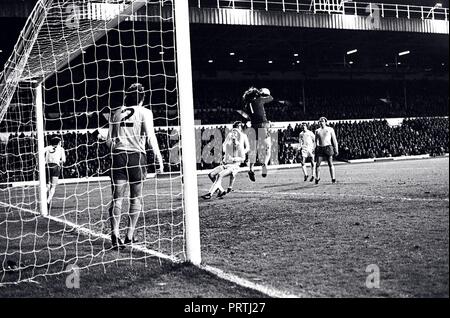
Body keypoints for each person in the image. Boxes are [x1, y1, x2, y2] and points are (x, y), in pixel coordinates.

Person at [106, 83, 164, 249]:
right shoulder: (145, 112)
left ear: (127, 96)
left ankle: (115, 234)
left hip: (118, 156)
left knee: (117, 197)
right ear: (143, 97)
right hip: (136, 157)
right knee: (136, 197)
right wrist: (159, 157)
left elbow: (108, 141)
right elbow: (151, 136)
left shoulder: (116, 112)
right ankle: (129, 235)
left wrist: (117, 149)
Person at [201, 121, 249, 200]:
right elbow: (224, 147)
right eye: (234, 130)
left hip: (234, 165)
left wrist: (235, 157)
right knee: (211, 174)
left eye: (236, 130)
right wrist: (225, 157)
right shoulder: (229, 142)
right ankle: (221, 190)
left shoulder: (240, 143)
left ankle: (210, 193)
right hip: (226, 163)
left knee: (220, 175)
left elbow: (243, 156)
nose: (234, 133)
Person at [241, 86, 273, 182]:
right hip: (262, 126)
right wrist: (263, 93)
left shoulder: (247, 105)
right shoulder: (258, 100)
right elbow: (271, 98)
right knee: (268, 148)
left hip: (253, 127)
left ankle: (251, 169)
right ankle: (265, 165)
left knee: (253, 150)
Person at [315, 117, 339, 184]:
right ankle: (317, 178)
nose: (321, 122)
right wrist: (314, 148)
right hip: (320, 148)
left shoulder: (330, 129)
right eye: (320, 121)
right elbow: (315, 141)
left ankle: (333, 178)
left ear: (325, 122)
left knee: (330, 163)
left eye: (322, 121)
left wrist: (336, 148)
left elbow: (334, 140)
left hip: (328, 147)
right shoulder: (317, 131)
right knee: (317, 164)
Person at [44, 137, 66, 211]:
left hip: (46, 167)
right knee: (53, 186)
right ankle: (48, 201)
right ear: (58, 142)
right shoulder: (61, 149)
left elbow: (40, 154)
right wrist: (58, 161)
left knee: (47, 185)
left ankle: (43, 197)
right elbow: (63, 160)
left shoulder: (47, 148)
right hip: (55, 166)